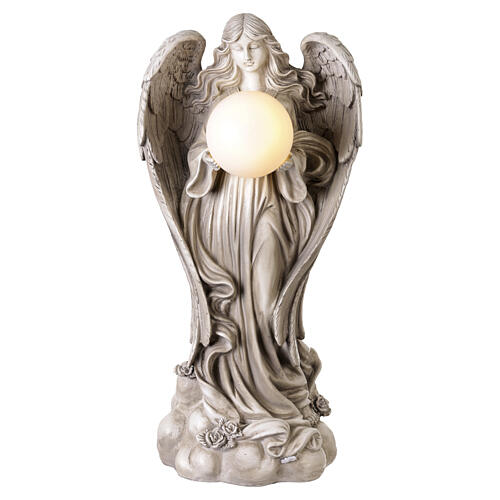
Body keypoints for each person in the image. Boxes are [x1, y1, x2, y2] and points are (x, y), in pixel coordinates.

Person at [179, 13, 335, 458]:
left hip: (268, 208)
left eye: (254, 45)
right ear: (226, 53)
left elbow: (309, 154)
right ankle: (231, 393)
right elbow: (196, 156)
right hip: (224, 210)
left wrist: (290, 160)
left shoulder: (283, 99)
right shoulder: (220, 100)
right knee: (228, 300)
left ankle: (275, 389)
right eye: (237, 47)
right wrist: (207, 160)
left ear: (269, 48)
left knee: (267, 303)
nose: (246, 54)